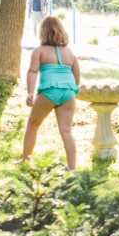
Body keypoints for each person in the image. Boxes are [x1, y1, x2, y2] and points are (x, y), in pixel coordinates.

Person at [22, 16, 80, 170]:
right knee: (67, 131)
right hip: (68, 93)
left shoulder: (39, 51)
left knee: (33, 125)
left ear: (43, 32)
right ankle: (72, 169)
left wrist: (30, 93)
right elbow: (77, 76)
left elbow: (33, 72)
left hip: (49, 91)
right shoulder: (70, 53)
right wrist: (73, 90)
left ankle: (25, 160)